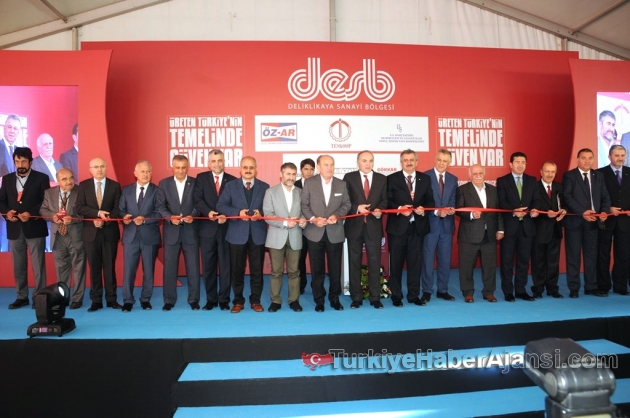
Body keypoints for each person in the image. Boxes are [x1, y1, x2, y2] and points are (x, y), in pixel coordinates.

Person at [217, 156, 269, 313]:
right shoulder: (230, 186)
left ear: (256, 169)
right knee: (237, 271)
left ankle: (256, 300)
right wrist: (238, 213)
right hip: (236, 235)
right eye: (245, 167)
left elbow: (269, 208)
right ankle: (238, 301)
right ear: (240, 169)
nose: (248, 170)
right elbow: (221, 205)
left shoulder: (265, 187)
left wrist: (261, 215)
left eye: (251, 167)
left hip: (257, 235)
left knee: (257, 271)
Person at [0, 147, 49, 309]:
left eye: (23, 161)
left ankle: (39, 297)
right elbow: (1, 201)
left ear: (30, 162)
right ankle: (21, 296)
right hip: (14, 228)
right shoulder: (7, 179)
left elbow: (45, 201)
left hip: (35, 227)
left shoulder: (41, 178)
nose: (20, 164)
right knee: (18, 265)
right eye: (17, 161)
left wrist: (31, 213)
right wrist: (7, 212)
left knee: (38, 265)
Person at [301, 154, 351, 312]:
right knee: (317, 269)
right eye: (326, 165)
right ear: (319, 167)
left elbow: (347, 204)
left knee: (335, 268)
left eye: (332, 164)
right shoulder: (309, 183)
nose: (329, 168)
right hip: (314, 232)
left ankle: (334, 298)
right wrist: (313, 219)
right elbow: (304, 205)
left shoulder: (341, 184)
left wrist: (337, 215)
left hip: (335, 232)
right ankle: (319, 300)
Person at [386, 149, 435, 307]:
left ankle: (414, 295)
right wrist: (399, 208)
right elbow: (387, 201)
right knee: (396, 264)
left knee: (415, 264)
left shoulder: (425, 179)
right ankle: (396, 296)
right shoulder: (391, 179)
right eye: (405, 160)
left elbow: (430, 201)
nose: (408, 162)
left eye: (411, 160)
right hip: (397, 229)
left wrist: (423, 209)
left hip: (417, 228)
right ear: (401, 162)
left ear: (416, 162)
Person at [562, 148, 611, 298]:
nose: (587, 161)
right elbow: (567, 197)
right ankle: (574, 288)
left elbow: (605, 197)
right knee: (573, 257)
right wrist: (583, 211)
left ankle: (591, 287)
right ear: (577, 159)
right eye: (584, 158)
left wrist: (604, 212)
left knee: (591, 257)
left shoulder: (599, 176)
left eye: (590, 158)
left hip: (593, 223)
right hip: (574, 223)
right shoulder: (569, 175)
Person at [76, 157, 122, 311]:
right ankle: (96, 300)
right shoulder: (84, 186)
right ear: (90, 170)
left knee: (109, 268)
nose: (99, 169)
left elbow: (117, 209)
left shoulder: (115, 186)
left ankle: (111, 299)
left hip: (109, 232)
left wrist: (104, 220)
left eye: (102, 166)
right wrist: (97, 214)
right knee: (94, 268)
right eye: (96, 167)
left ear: (106, 168)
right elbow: (79, 207)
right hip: (90, 233)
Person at [343, 150, 387, 309]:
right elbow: (345, 200)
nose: (368, 164)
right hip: (354, 226)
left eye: (370, 160)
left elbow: (385, 200)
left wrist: (380, 209)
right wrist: (357, 208)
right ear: (358, 163)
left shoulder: (382, 179)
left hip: (373, 226)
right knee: (354, 262)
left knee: (374, 262)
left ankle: (375, 297)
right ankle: (356, 297)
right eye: (364, 160)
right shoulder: (349, 177)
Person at [193, 149, 236, 311]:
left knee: (226, 267)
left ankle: (224, 299)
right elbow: (197, 199)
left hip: (226, 230)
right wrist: (208, 212)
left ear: (224, 162)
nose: (217, 164)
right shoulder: (201, 178)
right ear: (208, 163)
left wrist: (226, 214)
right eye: (213, 161)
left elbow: (235, 203)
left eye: (219, 161)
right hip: (207, 230)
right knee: (208, 267)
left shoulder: (232, 180)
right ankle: (211, 299)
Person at [156, 155, 200, 311]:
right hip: (171, 231)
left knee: (193, 267)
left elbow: (199, 204)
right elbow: (160, 206)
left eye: (183, 167)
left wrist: (192, 215)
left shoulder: (195, 183)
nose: (180, 170)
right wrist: (169, 217)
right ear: (172, 167)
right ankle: (169, 300)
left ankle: (194, 299)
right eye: (177, 167)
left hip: (190, 231)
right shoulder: (164, 184)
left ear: (187, 167)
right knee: (169, 268)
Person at [456, 164, 504, 303]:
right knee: (466, 266)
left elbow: (498, 211)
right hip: (469, 235)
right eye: (475, 173)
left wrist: (500, 229)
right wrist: (471, 214)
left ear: (484, 174)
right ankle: (468, 293)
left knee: (490, 266)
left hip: (490, 235)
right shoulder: (462, 190)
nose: (478, 176)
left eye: (480, 173)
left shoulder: (493, 190)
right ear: (469, 175)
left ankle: (489, 292)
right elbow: (458, 210)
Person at [263, 162, 307, 312]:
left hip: (295, 236)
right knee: (276, 271)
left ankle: (294, 300)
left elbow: (304, 213)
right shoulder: (271, 192)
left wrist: (302, 221)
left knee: (295, 272)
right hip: (276, 237)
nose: (291, 177)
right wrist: (284, 222)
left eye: (294, 174)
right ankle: (275, 300)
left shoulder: (301, 192)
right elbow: (267, 215)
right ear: (281, 175)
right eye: (288, 174)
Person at [496, 152, 540, 302]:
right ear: (511, 164)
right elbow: (501, 202)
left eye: (523, 162)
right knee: (507, 261)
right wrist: (513, 211)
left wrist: (534, 210)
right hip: (510, 227)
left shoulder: (532, 180)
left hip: (527, 227)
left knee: (523, 261)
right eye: (517, 162)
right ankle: (508, 291)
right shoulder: (502, 181)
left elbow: (537, 200)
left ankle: (521, 290)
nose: (520, 165)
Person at [40, 168, 86, 309]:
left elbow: (86, 213)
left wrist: (73, 218)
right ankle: (63, 297)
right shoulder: (49, 193)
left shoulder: (81, 191)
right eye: (64, 179)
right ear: (58, 181)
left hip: (76, 236)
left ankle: (77, 299)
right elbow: (43, 210)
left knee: (79, 269)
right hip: (58, 236)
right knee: (61, 269)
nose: (69, 181)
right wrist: (52, 216)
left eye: (71, 178)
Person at [119, 160, 161, 312]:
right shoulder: (126, 190)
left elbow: (159, 213)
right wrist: (124, 218)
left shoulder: (157, 191)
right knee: (129, 270)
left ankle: (145, 299)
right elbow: (121, 210)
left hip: (149, 235)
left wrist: (144, 219)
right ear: (135, 173)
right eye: (142, 171)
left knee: (148, 270)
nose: (145, 174)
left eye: (148, 171)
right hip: (130, 236)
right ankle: (127, 300)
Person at [421, 149, 458, 303]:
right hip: (431, 225)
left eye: (445, 161)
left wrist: (451, 209)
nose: (442, 163)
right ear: (435, 160)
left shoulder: (453, 179)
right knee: (428, 261)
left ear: (449, 163)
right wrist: (437, 211)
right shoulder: (424, 177)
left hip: (447, 226)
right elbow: (422, 201)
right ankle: (427, 291)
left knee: (444, 260)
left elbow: (454, 199)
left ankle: (443, 290)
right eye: (439, 160)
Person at [597, 145, 630, 295]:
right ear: (609, 156)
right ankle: (603, 286)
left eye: (622, 155)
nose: (620, 158)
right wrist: (608, 208)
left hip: (625, 222)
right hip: (606, 220)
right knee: (603, 254)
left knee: (623, 254)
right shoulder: (600, 173)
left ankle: (620, 286)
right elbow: (595, 197)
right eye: (617, 155)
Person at [531, 161, 566, 299]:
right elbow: (532, 206)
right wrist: (546, 212)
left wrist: (564, 210)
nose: (550, 174)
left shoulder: (559, 187)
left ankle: (552, 289)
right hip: (539, 230)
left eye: (552, 172)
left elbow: (564, 204)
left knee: (553, 263)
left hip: (555, 230)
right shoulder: (534, 187)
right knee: (538, 262)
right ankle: (538, 289)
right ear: (541, 172)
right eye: (547, 171)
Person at [0, 114, 22, 253]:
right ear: (4, 128)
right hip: (2, 204)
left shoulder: (20, 151)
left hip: (17, 205)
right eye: (9, 127)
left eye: (15, 128)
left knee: (14, 247)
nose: (12, 131)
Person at [295, 158, 315, 294]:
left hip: (314, 228)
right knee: (299, 259)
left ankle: (316, 286)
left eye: (311, 169)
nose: (309, 172)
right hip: (298, 229)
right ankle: (300, 285)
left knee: (315, 259)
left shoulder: (318, 184)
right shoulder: (294, 185)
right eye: (306, 169)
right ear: (301, 170)